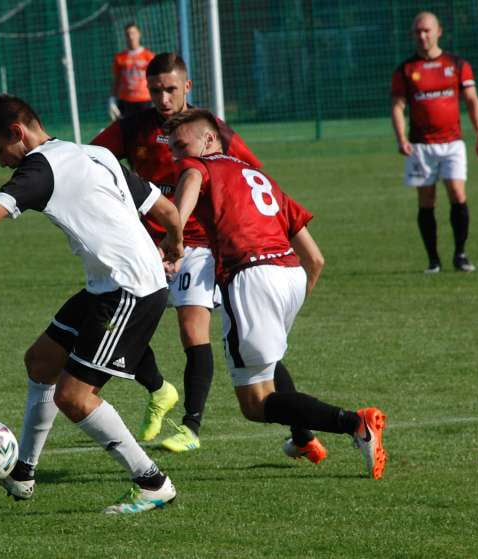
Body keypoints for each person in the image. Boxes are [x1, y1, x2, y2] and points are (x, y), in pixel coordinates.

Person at [0, 94, 183, 513]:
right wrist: (175, 243)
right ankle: (23, 473)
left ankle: (152, 482)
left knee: (75, 397)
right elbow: (167, 210)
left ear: (16, 133)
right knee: (41, 360)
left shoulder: (42, 166)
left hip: (128, 289)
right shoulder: (94, 153)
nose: (2, 162)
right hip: (110, 284)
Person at [94, 52, 324, 459]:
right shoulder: (133, 128)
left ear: (187, 87)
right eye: (156, 90)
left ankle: (192, 425)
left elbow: (252, 171)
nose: (163, 98)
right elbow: (92, 161)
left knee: (193, 328)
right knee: (113, 319)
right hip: (149, 246)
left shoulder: (207, 132)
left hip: (197, 244)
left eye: (170, 89)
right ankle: (160, 390)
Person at [164, 108, 388, 480]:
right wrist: (288, 303)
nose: (177, 155)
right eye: (172, 148)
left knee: (255, 403)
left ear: (209, 139)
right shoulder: (259, 177)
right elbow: (314, 259)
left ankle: (356, 424)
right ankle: (303, 439)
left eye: (182, 145)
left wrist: (174, 239)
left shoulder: (199, 167)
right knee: (268, 366)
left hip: (251, 277)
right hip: (290, 277)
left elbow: (184, 195)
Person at [391, 11, 478, 274]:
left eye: (427, 30)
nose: (422, 36)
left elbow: (471, 101)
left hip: (453, 143)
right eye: (417, 32)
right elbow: (398, 107)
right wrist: (401, 138)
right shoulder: (406, 69)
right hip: (421, 145)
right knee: (427, 201)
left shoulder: (457, 65)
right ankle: (433, 260)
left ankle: (460, 254)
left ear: (439, 31)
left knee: (457, 194)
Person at [108, 23, 155, 120]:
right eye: (128, 34)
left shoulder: (149, 56)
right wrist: (112, 99)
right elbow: (116, 80)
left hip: (145, 100)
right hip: (126, 101)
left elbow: (155, 79)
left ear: (139, 34)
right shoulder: (120, 58)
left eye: (133, 33)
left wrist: (156, 97)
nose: (131, 36)